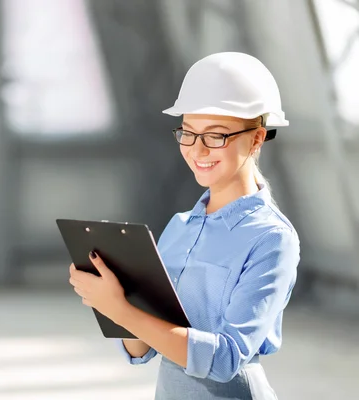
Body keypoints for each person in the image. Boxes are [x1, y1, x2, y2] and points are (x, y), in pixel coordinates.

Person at [68, 52, 300, 399]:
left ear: (256, 138)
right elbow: (141, 350)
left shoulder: (272, 239)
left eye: (216, 135)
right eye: (188, 133)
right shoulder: (179, 228)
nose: (197, 150)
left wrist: (123, 309)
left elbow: (225, 359)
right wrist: (114, 302)